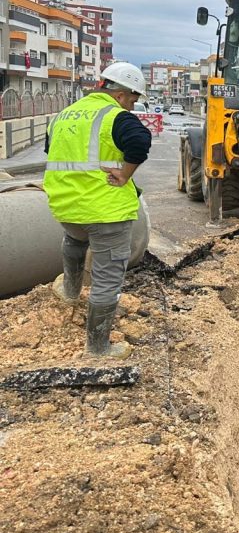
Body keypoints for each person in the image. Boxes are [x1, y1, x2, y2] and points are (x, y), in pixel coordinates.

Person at [43, 62, 152, 359]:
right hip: (106, 211)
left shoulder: (64, 115)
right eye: (133, 99)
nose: (132, 106)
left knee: (74, 241)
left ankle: (70, 291)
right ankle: (98, 347)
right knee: (107, 276)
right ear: (120, 94)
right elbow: (140, 140)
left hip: (66, 206)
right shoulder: (114, 116)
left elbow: (52, 152)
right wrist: (125, 174)